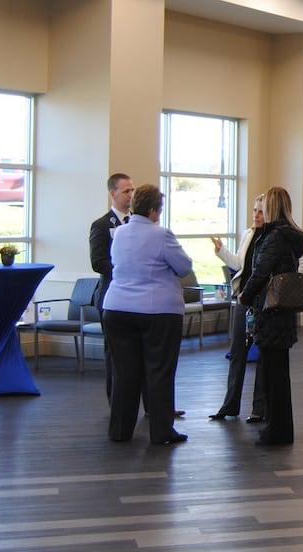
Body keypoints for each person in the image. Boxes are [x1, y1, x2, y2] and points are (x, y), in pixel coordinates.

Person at [101, 183, 193, 445]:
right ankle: (162, 431)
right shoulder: (161, 235)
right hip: (158, 311)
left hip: (117, 307)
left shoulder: (119, 233)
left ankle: (119, 431)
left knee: (124, 373)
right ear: (154, 210)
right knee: (159, 371)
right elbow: (184, 267)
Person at [236, 186, 303, 446]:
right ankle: (281, 429)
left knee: (272, 376)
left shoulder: (273, 237)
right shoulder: (294, 236)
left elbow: (261, 271)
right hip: (284, 312)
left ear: (272, 207)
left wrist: (245, 295)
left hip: (269, 311)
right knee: (279, 373)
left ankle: (275, 431)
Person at [209, 195, 268, 421]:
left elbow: (302, 264)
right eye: (254, 210)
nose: (256, 215)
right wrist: (222, 251)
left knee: (262, 356)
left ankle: (258, 408)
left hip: (263, 303)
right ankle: (229, 405)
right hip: (244, 300)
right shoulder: (248, 234)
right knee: (237, 353)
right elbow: (239, 265)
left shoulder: (274, 237)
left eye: (261, 211)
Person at [89, 173, 133, 400]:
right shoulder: (102, 225)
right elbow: (98, 262)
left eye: (132, 190)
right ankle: (115, 401)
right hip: (111, 295)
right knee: (114, 352)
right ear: (113, 193)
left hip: (136, 297)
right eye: (126, 191)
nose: (130, 195)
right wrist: (124, 269)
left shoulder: (137, 222)